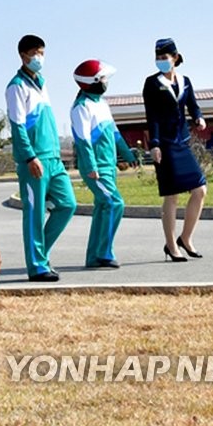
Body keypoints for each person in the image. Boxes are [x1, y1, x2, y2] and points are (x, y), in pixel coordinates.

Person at [6, 34, 77, 282]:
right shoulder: (16, 86)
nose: (40, 58)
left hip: (54, 159)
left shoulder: (42, 84)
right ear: (23, 55)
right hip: (33, 160)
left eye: (43, 53)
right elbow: (17, 126)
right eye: (36, 53)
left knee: (68, 205)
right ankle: (36, 266)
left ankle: (40, 254)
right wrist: (29, 157)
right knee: (34, 212)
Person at [142, 37, 208, 262]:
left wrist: (199, 118)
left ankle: (186, 238)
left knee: (200, 190)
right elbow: (153, 117)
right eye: (157, 58)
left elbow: (193, 106)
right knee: (172, 197)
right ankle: (171, 246)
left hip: (183, 141)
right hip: (165, 144)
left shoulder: (185, 80)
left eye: (164, 57)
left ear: (175, 58)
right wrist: (155, 144)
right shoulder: (152, 83)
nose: (161, 61)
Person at [70, 59, 138, 269]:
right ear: (94, 81)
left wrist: (127, 154)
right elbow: (83, 140)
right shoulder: (81, 107)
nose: (107, 81)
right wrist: (90, 167)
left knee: (102, 207)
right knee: (113, 203)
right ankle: (104, 253)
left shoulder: (102, 103)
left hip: (108, 165)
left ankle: (93, 258)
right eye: (104, 78)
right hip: (96, 168)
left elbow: (115, 133)